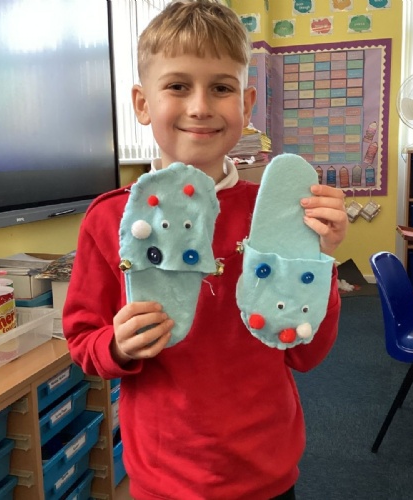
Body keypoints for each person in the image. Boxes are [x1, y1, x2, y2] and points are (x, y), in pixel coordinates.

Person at [63, 1, 348, 498]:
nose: (200, 106)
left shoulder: (280, 213)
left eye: (221, 88)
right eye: (177, 86)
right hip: (165, 473)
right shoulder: (109, 220)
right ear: (142, 103)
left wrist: (317, 261)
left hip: (265, 466)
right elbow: (84, 340)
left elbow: (305, 353)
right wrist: (117, 345)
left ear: (246, 104)